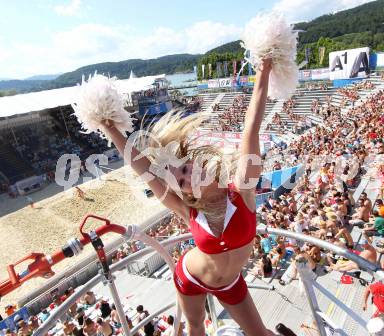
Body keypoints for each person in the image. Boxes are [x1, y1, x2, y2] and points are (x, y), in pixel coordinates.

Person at [101, 59, 275, 335]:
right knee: (194, 329)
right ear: (184, 192)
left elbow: (250, 129)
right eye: (181, 183)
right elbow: (144, 171)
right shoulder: (187, 210)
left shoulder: (242, 190)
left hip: (230, 284)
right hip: (190, 276)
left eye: (184, 169)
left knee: (261, 334)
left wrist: (263, 70)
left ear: (196, 162)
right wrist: (110, 128)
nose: (186, 178)